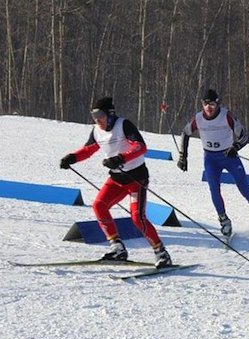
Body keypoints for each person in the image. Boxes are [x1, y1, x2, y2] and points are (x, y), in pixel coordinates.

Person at [59, 97, 172, 268]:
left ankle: (161, 252)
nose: (97, 119)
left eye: (100, 115)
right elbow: (89, 149)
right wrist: (72, 158)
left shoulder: (123, 125)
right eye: (93, 115)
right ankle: (117, 248)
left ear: (110, 115)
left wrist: (121, 158)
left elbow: (140, 147)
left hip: (136, 178)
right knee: (99, 205)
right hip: (117, 179)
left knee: (137, 218)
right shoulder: (97, 130)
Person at [176, 89, 249, 237]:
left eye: (211, 104)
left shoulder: (226, 116)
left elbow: (244, 136)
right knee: (214, 189)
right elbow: (185, 133)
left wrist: (235, 147)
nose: (208, 107)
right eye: (205, 104)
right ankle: (224, 221)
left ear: (217, 103)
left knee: (244, 187)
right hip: (211, 159)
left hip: (228, 157)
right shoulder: (198, 118)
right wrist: (183, 156)